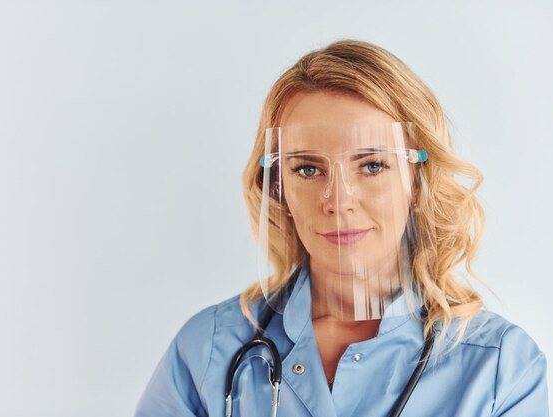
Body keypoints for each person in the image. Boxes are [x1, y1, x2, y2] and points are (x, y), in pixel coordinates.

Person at [135, 40, 549, 417]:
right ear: (279, 187)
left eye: (372, 165)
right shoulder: (209, 350)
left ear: (417, 181)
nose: (338, 200)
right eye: (308, 168)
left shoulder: (499, 369)